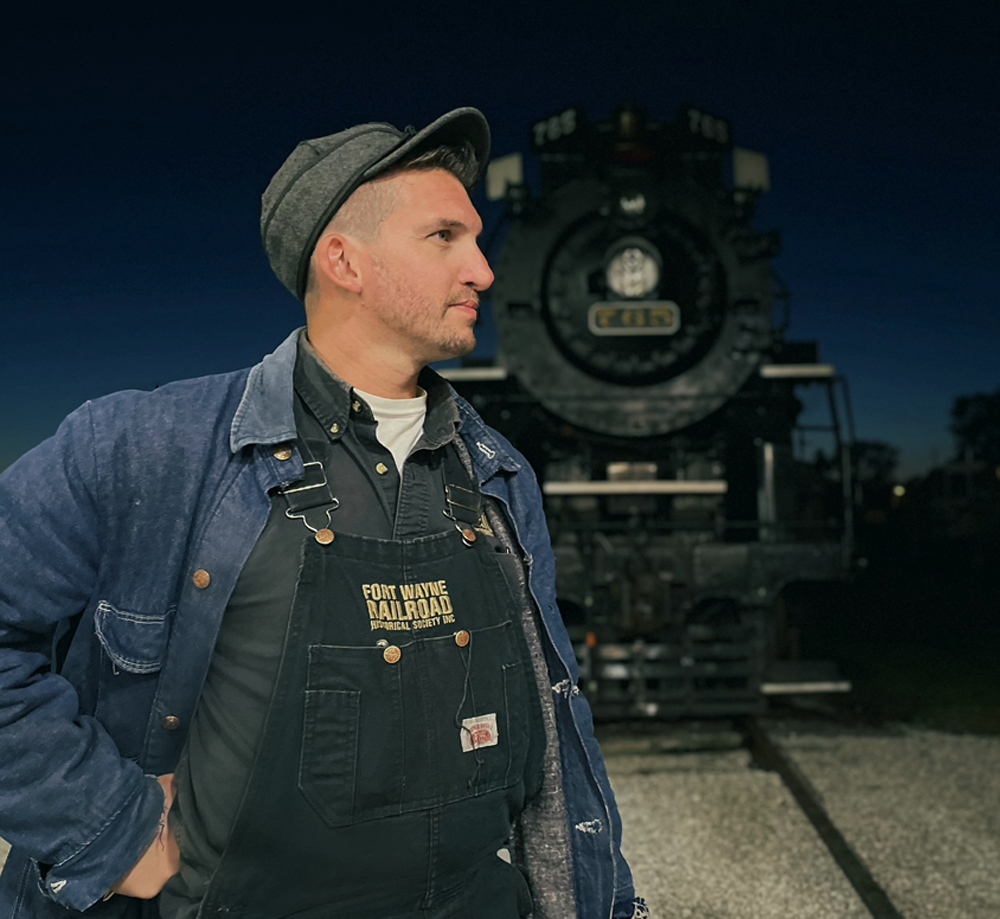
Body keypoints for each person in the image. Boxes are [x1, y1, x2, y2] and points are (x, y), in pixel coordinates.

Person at [0, 107, 646, 919]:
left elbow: (552, 750)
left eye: (477, 240)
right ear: (344, 260)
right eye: (444, 237)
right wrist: (105, 826)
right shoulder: (147, 447)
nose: (483, 269)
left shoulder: (498, 476)